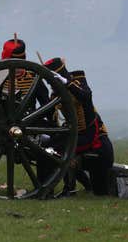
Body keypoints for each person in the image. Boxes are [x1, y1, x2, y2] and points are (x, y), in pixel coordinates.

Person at [44, 58, 114, 195]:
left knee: (101, 191)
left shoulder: (78, 85)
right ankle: (70, 187)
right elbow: (50, 114)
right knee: (52, 149)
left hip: (94, 138)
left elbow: (86, 96)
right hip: (74, 136)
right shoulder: (56, 94)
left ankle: (74, 187)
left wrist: (66, 83)